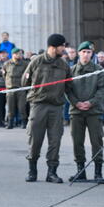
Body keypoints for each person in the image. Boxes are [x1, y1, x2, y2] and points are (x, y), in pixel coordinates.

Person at [22, 34, 73, 184]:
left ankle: (52, 172)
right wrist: (33, 95)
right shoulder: (36, 62)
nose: (64, 48)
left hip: (56, 107)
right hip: (39, 105)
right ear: (53, 47)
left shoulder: (64, 65)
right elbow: (25, 81)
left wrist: (77, 103)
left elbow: (69, 87)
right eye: (62, 46)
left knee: (55, 140)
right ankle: (32, 170)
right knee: (35, 139)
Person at [66, 41, 104, 182]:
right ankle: (80, 171)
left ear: (92, 54)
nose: (86, 54)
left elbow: (103, 89)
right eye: (83, 52)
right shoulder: (71, 71)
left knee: (96, 141)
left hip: (94, 112)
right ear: (78, 53)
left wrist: (91, 102)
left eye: (89, 52)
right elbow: (68, 90)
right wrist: (76, 103)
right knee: (77, 141)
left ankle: (98, 172)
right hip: (76, 112)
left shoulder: (98, 70)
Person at [3, 48, 30, 129]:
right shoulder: (7, 64)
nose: (20, 55)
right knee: (10, 107)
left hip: (20, 88)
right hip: (10, 88)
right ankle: (10, 123)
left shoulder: (25, 64)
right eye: (18, 54)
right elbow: (4, 75)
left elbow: (27, 75)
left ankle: (23, 122)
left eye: (21, 54)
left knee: (22, 106)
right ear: (13, 54)